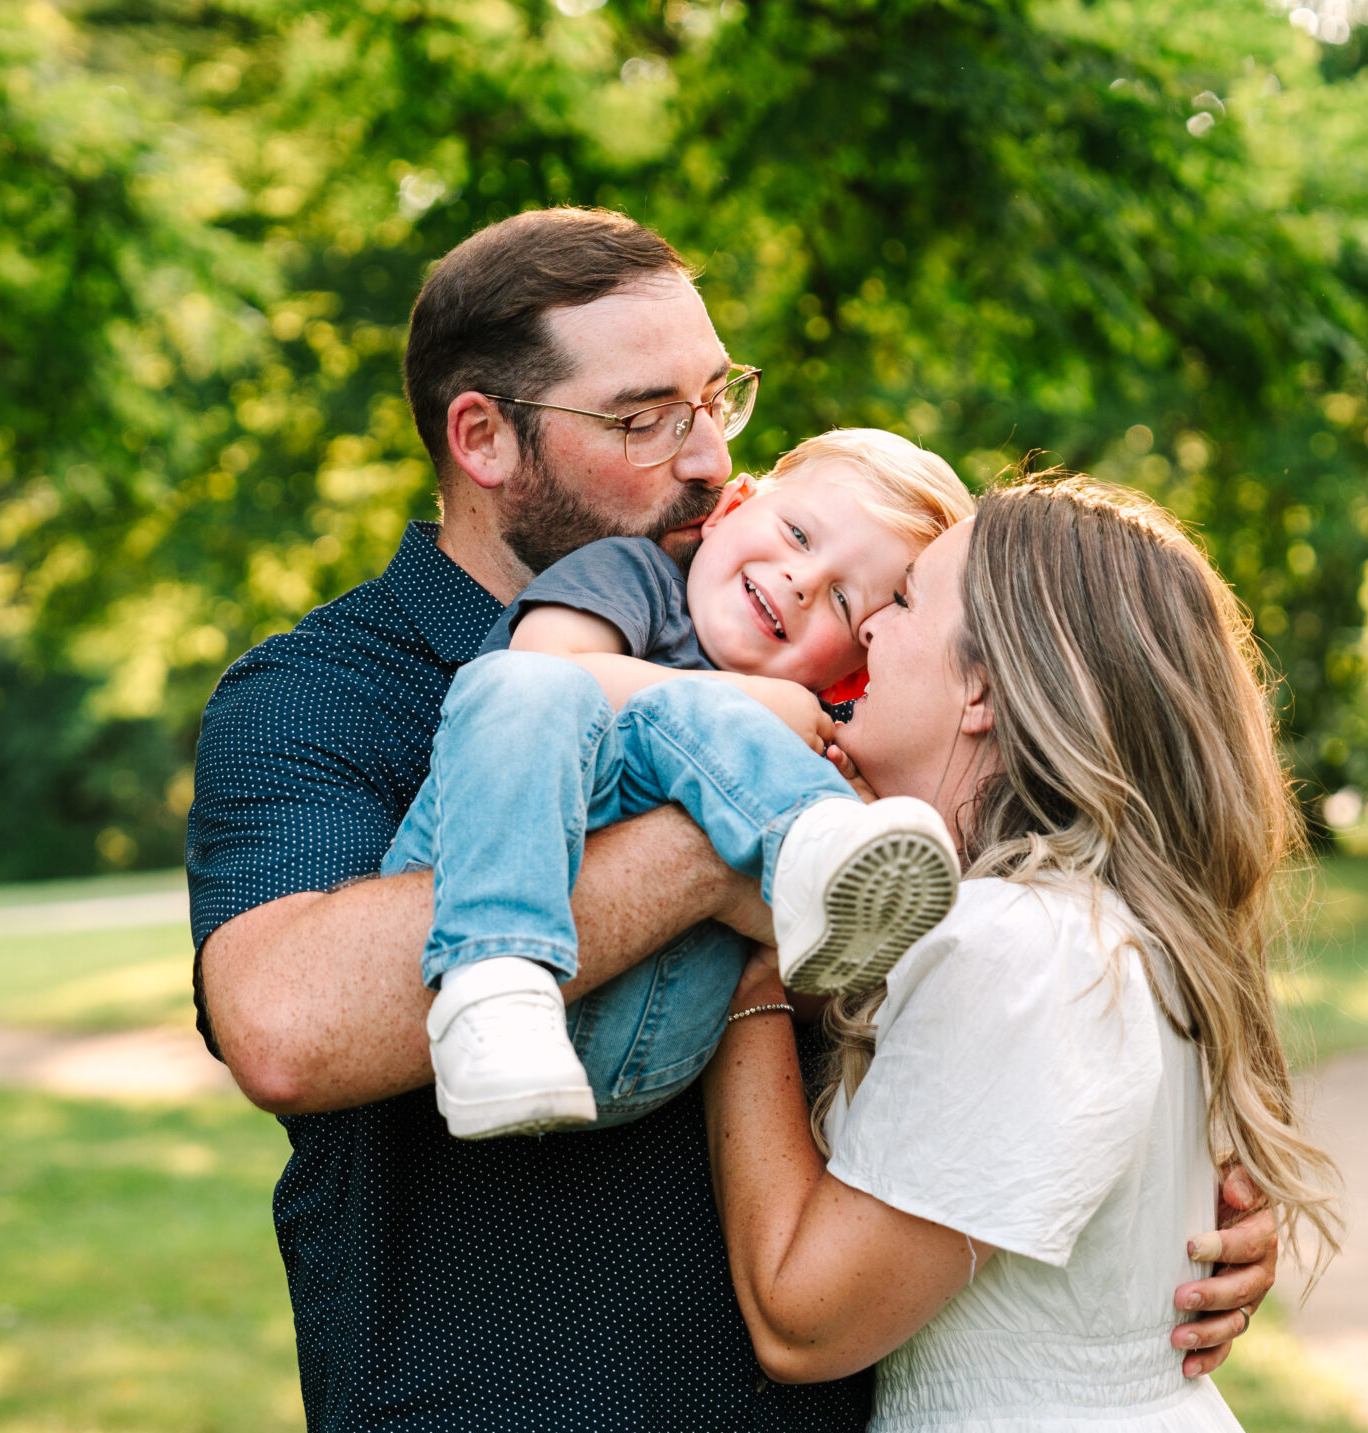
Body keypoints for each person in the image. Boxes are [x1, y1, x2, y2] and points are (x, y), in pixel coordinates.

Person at [185, 206, 1282, 1433]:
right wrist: (731, 833)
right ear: (483, 438)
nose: (706, 458)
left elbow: (1059, 922)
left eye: (718, 398)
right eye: (645, 418)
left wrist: (1154, 1204)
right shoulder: (328, 694)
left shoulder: (819, 650)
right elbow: (294, 1025)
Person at [705, 474, 1364, 1433]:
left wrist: (747, 961)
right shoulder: (1084, 928)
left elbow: (805, 1316)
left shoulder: (1020, 953)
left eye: (900, 600)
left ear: (985, 690)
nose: (863, 629)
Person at [382, 430, 973, 1139]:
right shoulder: (637, 577)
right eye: (797, 534)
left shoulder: (812, 735)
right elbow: (541, 667)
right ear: (732, 507)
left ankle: (820, 865)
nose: (802, 580)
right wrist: (745, 702)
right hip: (474, 899)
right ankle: (497, 998)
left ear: (849, 674)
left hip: (653, 1033)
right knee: (601, 700)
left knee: (789, 808)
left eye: (844, 601)